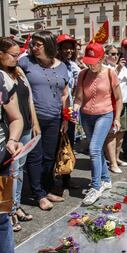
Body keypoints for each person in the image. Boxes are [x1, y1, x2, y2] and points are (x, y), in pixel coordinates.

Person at [19, 31, 68, 210]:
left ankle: (46, 189)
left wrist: (65, 117)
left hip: (55, 117)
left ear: (48, 45)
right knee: (35, 156)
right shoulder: (25, 62)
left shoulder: (62, 66)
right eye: (32, 44)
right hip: (33, 118)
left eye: (37, 44)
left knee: (49, 156)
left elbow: (65, 94)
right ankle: (38, 193)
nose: (33, 47)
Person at [73, 42, 122, 205]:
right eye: (87, 61)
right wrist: (74, 110)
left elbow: (119, 98)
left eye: (93, 61)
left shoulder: (110, 73)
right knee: (97, 149)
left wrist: (116, 118)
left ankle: (95, 187)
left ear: (101, 59)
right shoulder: (82, 74)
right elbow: (79, 97)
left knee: (93, 149)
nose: (90, 64)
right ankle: (106, 179)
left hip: (105, 115)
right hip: (86, 116)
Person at [0, 37, 38, 232]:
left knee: (18, 171)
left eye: (18, 55)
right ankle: (9, 212)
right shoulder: (1, 76)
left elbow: (29, 98)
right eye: (14, 55)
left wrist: (34, 122)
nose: (17, 58)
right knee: (11, 173)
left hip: (23, 127)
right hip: (7, 134)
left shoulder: (18, 71)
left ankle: (13, 206)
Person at [0, 70, 24, 253]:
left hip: (2, 164)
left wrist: (13, 140)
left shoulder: (1, 79)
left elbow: (16, 118)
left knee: (2, 219)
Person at [56, 34, 81, 190]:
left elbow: (79, 83)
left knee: (68, 145)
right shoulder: (54, 64)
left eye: (71, 47)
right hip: (55, 111)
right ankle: (51, 180)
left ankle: (66, 178)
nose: (68, 50)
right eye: (64, 47)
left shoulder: (73, 65)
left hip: (70, 110)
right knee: (54, 145)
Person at [103, 44, 127, 173]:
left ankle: (116, 158)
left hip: (123, 103)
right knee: (111, 134)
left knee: (121, 133)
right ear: (106, 55)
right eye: (112, 54)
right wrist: (118, 69)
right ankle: (111, 162)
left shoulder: (123, 67)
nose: (115, 56)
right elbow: (109, 84)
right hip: (111, 105)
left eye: (117, 54)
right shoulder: (105, 68)